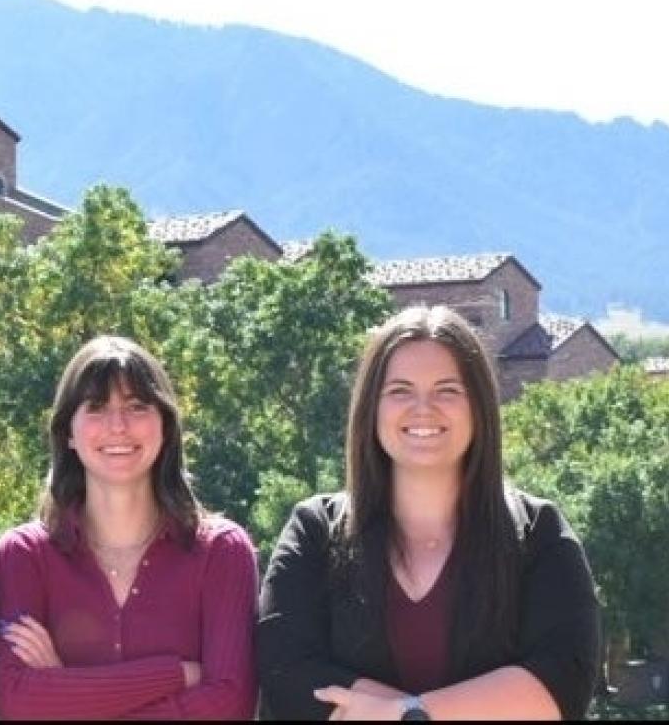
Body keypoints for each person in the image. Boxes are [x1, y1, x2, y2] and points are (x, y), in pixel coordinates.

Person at [256, 305, 601, 720]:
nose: (423, 408)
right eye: (400, 390)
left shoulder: (539, 533)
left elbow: (561, 684)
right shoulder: (314, 531)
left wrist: (410, 713)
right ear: (372, 408)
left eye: (447, 390)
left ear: (479, 408)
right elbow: (288, 677)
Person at [0, 335, 258, 719]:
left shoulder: (222, 552)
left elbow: (229, 705)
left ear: (165, 425)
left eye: (136, 406)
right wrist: (177, 675)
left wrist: (65, 692)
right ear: (68, 431)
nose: (118, 425)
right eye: (96, 408)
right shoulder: (24, 556)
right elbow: (19, 703)